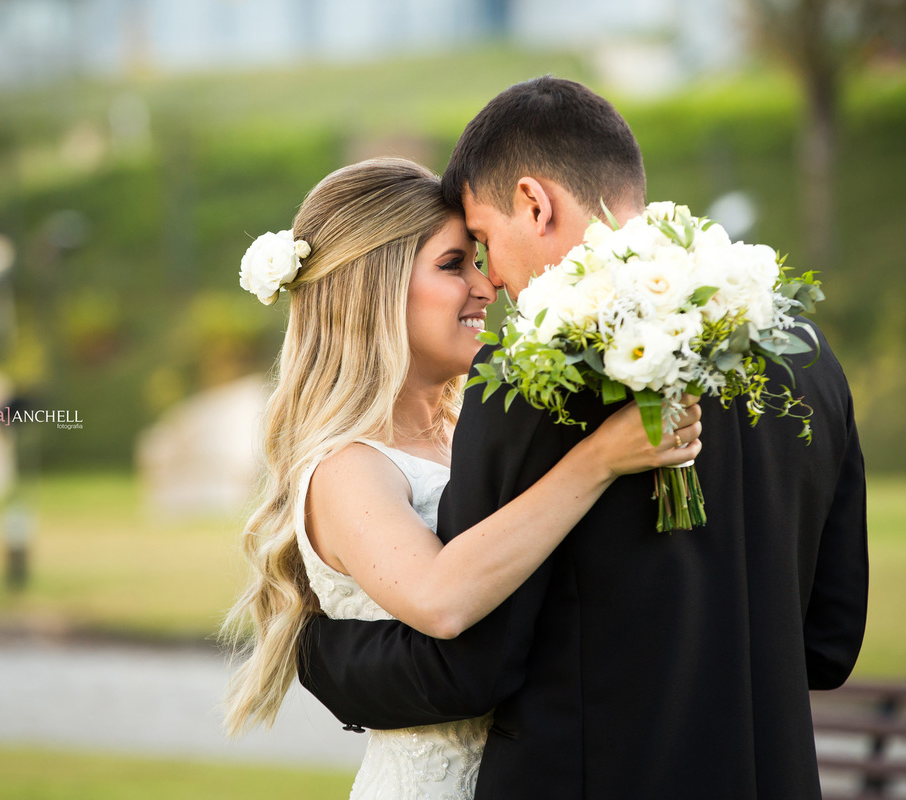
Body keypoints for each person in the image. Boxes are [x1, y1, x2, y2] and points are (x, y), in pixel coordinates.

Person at [296, 77, 868, 800]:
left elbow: (471, 665)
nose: (492, 281)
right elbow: (827, 644)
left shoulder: (534, 388)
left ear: (534, 204)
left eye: (481, 243)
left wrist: (319, 651)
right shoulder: (804, 355)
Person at [221, 157, 703, 799]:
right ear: (376, 288)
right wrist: (600, 459)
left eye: (479, 261)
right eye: (454, 266)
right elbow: (442, 602)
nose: (486, 286)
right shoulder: (347, 467)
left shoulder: (471, 434)